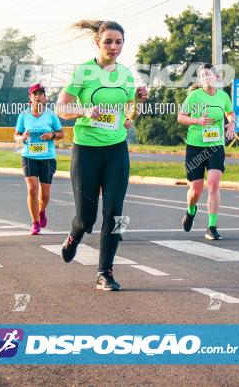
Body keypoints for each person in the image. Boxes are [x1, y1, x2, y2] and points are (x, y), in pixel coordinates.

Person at [56, 20, 148, 291]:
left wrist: (137, 103)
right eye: (108, 41)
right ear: (97, 43)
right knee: (87, 218)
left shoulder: (126, 75)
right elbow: (61, 107)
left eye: (118, 42)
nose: (113, 47)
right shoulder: (83, 72)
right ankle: (74, 237)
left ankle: (104, 271)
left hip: (116, 149)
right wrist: (84, 111)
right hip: (86, 149)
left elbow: (130, 114)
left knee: (115, 212)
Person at [177, 64, 236, 241]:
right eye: (202, 76)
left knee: (214, 183)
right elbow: (181, 117)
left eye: (208, 75)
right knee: (196, 190)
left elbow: (230, 112)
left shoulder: (223, 96)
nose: (205, 78)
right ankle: (191, 210)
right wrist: (197, 120)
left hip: (215, 145)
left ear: (216, 78)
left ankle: (211, 226)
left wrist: (231, 123)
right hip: (195, 146)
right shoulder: (194, 96)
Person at [15, 83, 64, 234]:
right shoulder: (24, 115)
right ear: (30, 98)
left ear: (45, 98)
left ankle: (41, 211)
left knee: (45, 194)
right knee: (32, 189)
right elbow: (16, 135)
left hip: (47, 157)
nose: (38, 97)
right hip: (28, 156)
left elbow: (61, 133)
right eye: (34, 94)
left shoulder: (51, 115)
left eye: (40, 94)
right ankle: (35, 222)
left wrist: (52, 135)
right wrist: (22, 137)